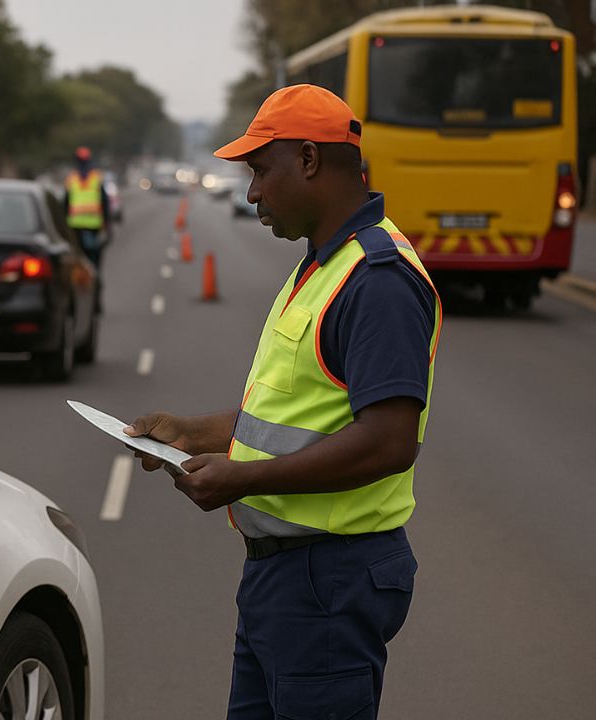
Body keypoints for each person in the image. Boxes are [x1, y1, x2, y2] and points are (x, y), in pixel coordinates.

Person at [123, 85, 441, 719]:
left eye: (261, 171)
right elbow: (290, 420)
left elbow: (388, 442)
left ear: (310, 160)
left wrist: (245, 479)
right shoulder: (322, 267)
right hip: (285, 580)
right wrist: (190, 432)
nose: (252, 193)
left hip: (329, 580)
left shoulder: (376, 279)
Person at [62, 146, 110, 269]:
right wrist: (107, 222)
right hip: (93, 224)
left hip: (75, 224)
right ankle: (93, 277)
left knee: (80, 257)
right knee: (93, 256)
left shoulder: (72, 178)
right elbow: (104, 202)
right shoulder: (96, 177)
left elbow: (65, 204)